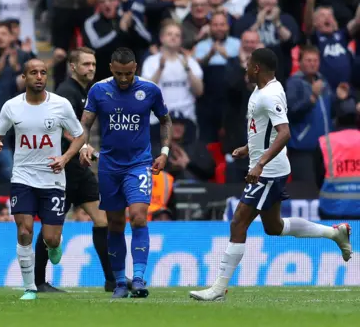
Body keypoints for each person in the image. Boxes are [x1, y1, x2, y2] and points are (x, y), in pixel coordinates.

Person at [189, 48, 353, 302]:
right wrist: (249, 148)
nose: (245, 68)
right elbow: (265, 130)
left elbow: (284, 132)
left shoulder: (270, 94)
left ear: (257, 68)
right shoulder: (261, 91)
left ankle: (218, 288)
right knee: (273, 227)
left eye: (248, 64)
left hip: (269, 172)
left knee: (238, 222)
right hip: (268, 167)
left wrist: (260, 164)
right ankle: (335, 233)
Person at [0, 59, 86, 301]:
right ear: (24, 77)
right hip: (22, 176)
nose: (39, 77)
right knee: (24, 231)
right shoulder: (12, 106)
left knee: (50, 238)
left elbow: (80, 135)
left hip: (52, 177)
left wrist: (65, 158)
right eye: (34, 72)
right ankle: (30, 287)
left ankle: (56, 243)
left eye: (43, 72)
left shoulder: (60, 105)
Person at [80, 47, 172, 299]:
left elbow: (165, 120)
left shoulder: (150, 90)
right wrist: (85, 145)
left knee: (139, 217)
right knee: (116, 223)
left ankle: (139, 279)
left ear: (135, 69)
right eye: (119, 73)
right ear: (111, 68)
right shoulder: (98, 90)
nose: (124, 79)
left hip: (139, 164)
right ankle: (120, 282)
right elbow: (85, 123)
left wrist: (163, 151)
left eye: (129, 74)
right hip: (109, 165)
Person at [34, 47, 116, 293]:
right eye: (85, 64)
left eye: (93, 64)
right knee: (51, 232)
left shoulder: (85, 92)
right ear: (73, 66)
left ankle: (112, 280)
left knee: (103, 220)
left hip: (79, 170)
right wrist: (83, 145)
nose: (91, 68)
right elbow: (61, 125)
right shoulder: (66, 92)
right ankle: (38, 282)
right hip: (62, 169)